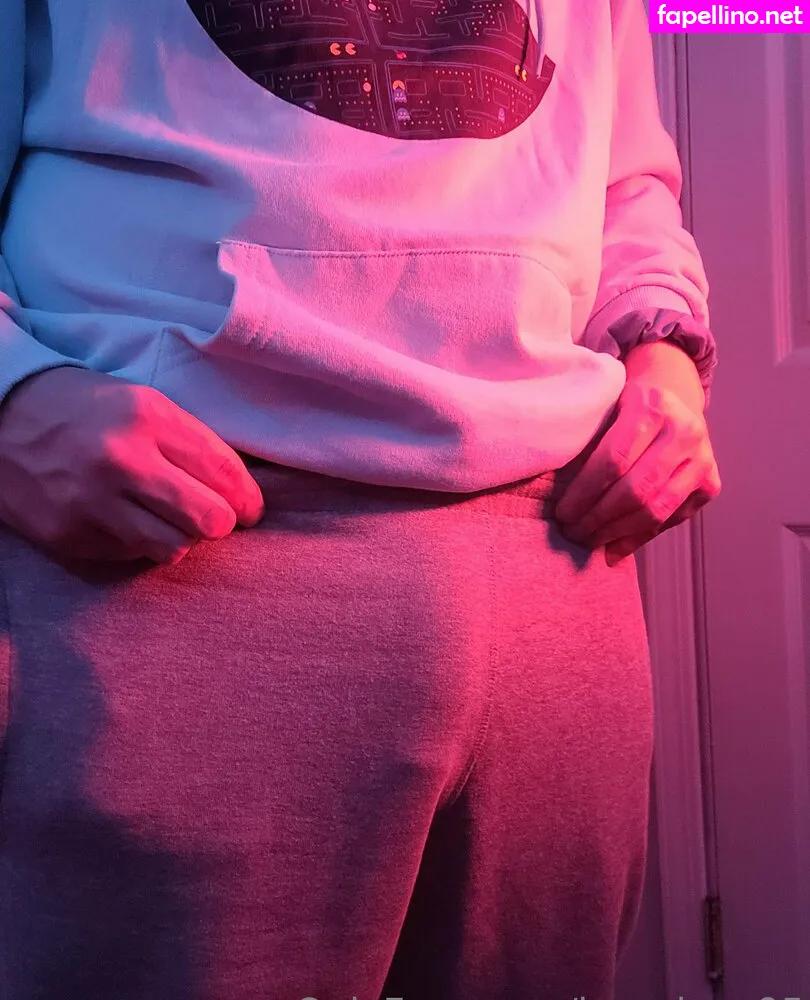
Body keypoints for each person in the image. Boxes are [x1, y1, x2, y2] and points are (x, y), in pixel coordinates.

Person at [0, 0, 721, 997]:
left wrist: (662, 348)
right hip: (173, 556)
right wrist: (11, 393)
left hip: (556, 568)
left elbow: (622, 181)